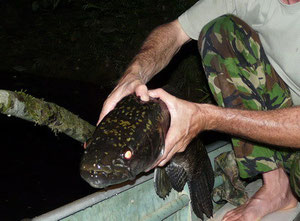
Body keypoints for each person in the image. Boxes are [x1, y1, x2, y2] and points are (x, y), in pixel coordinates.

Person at [98, 0, 300, 220]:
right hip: (285, 111)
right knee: (219, 32)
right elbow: (175, 32)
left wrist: (206, 117)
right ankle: (276, 186)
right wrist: (133, 75)